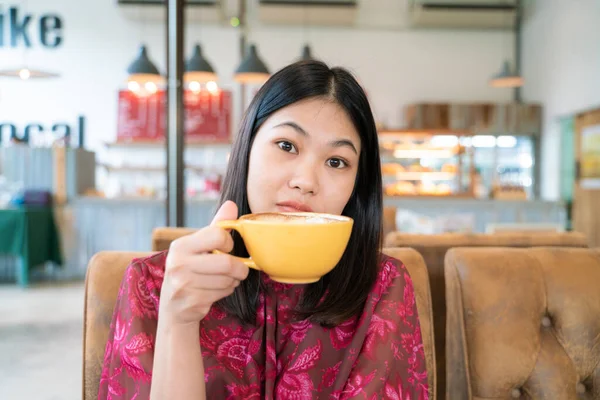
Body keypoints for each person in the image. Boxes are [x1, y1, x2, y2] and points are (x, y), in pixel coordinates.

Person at [98, 60, 429, 399]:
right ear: (246, 149)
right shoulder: (154, 283)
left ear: (356, 186)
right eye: (286, 145)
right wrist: (178, 322)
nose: (305, 182)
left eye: (336, 162)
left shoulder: (382, 287)